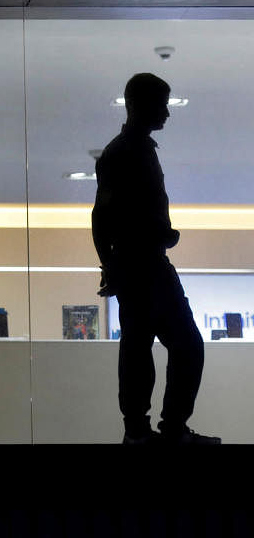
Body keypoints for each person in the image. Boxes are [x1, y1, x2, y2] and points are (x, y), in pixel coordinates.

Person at [92, 73, 219, 445]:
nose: (167, 112)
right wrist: (110, 264)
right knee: (166, 346)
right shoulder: (122, 153)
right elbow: (101, 216)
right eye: (161, 103)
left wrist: (112, 263)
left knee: (145, 345)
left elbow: (106, 216)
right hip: (142, 265)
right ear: (138, 104)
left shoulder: (137, 150)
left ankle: (148, 429)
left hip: (142, 263)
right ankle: (156, 428)